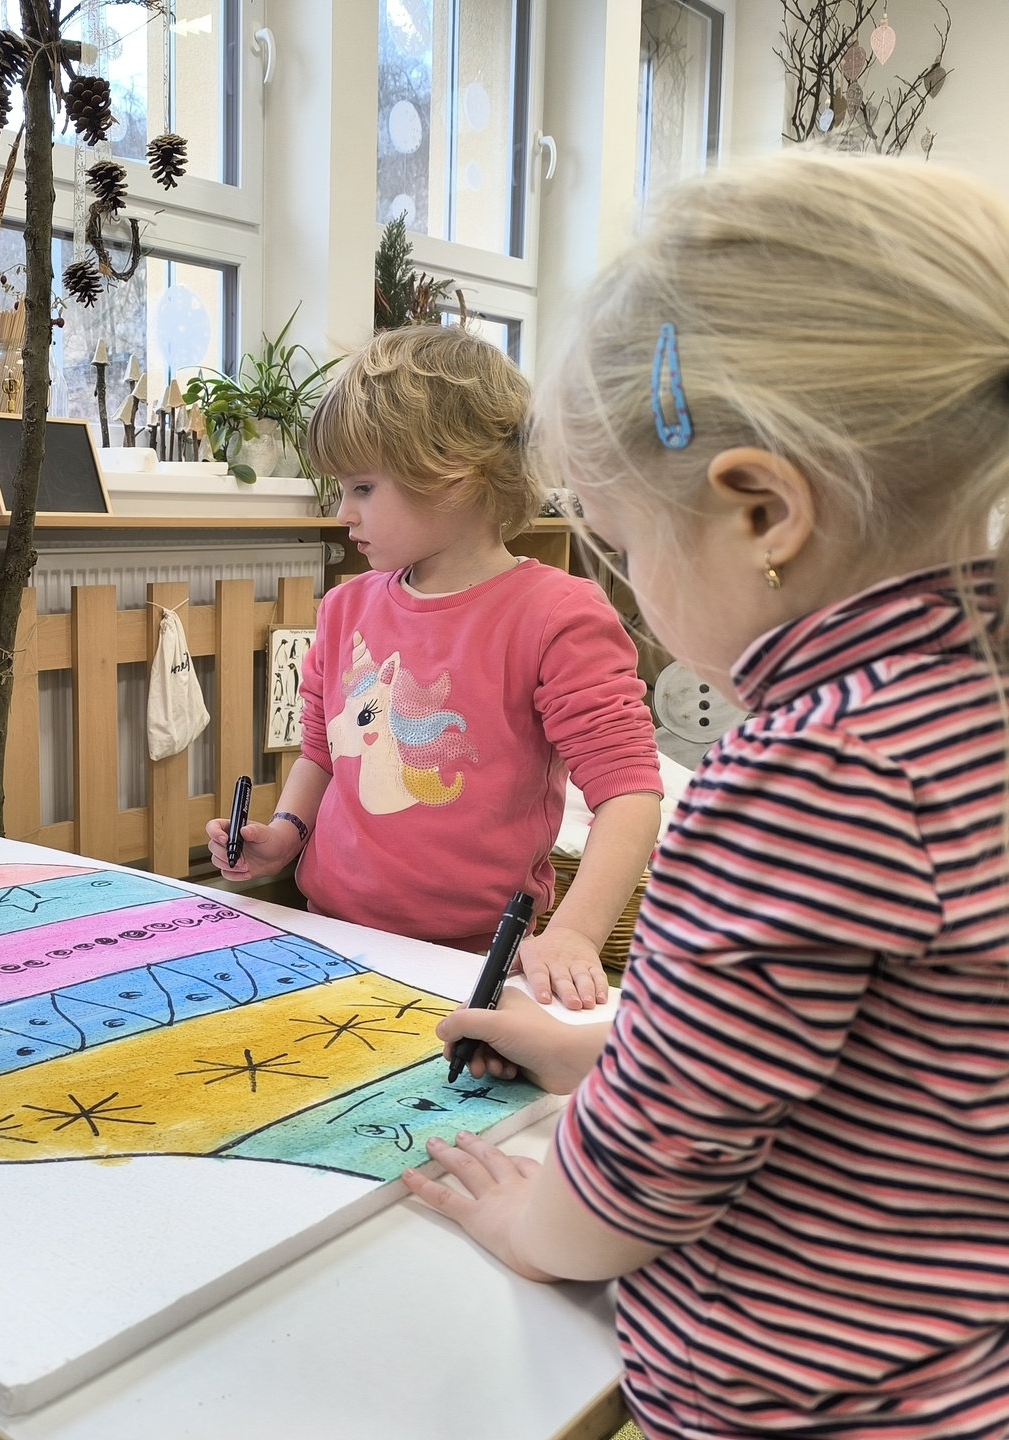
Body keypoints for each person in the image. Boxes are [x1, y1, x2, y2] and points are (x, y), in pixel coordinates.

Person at [404, 150, 1009, 1439]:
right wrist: (598, 1046)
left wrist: (534, 1221)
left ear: (764, 513)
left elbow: (651, 1166)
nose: (628, 590)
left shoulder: (813, 766)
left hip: (802, 1406)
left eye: (623, 547)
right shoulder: (973, 701)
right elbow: (870, 1052)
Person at [209, 325, 662, 1008]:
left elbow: (629, 794)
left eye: (363, 487)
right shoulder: (343, 608)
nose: (342, 512)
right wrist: (283, 836)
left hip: (476, 964)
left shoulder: (557, 615)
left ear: (451, 473)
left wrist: (574, 934)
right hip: (329, 935)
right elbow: (322, 755)